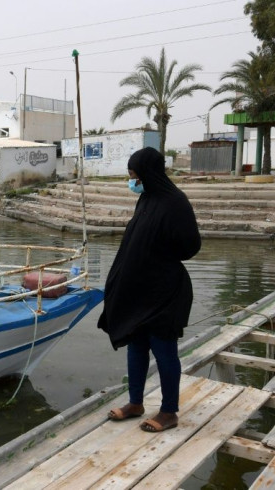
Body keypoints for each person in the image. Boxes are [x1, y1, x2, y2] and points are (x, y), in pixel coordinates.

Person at [97, 147, 201, 432]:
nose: (132, 181)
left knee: (164, 350)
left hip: (164, 292)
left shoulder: (175, 203)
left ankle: (169, 412)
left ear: (148, 174)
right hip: (140, 292)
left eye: (134, 176)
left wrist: (158, 254)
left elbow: (190, 246)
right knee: (137, 346)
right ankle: (136, 402)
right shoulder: (145, 200)